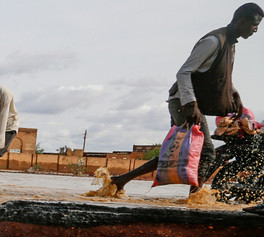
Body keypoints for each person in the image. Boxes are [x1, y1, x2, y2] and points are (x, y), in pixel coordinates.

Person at [110, 3, 263, 194]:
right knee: (206, 152)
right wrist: (191, 104)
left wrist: (235, 94)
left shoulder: (230, 44)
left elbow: (217, 74)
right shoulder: (214, 41)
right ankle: (195, 200)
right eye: (254, 25)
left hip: (190, 104)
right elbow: (184, 72)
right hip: (183, 102)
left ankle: (120, 181)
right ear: (241, 20)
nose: (256, 30)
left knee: (179, 150)